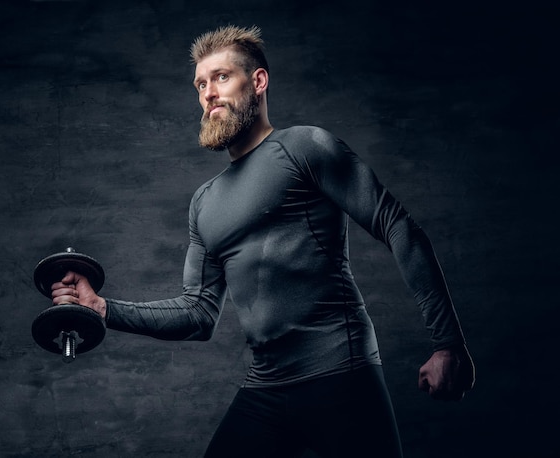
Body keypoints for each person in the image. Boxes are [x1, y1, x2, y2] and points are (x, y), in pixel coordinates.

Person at [51, 25, 475, 458]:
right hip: (266, 390)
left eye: (221, 77)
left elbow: (398, 226)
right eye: (200, 84)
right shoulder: (204, 202)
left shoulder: (304, 148)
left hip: (341, 376)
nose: (208, 94)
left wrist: (448, 344)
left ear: (257, 82)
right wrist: (102, 308)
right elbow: (197, 313)